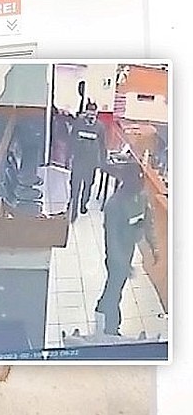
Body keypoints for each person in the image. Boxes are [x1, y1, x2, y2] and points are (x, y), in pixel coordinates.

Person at [94, 162, 157, 335]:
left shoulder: (141, 197)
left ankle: (101, 308)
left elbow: (147, 222)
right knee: (115, 291)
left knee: (114, 288)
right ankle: (111, 329)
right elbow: (111, 242)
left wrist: (154, 246)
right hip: (117, 258)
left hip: (128, 251)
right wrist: (123, 265)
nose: (140, 183)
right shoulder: (114, 205)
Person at [68, 101, 107, 222]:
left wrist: (103, 161)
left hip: (91, 162)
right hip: (78, 160)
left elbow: (102, 145)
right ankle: (73, 207)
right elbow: (72, 140)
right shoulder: (78, 123)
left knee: (88, 185)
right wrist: (69, 157)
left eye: (93, 113)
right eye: (89, 112)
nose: (91, 116)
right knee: (75, 185)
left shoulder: (100, 127)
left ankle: (83, 204)